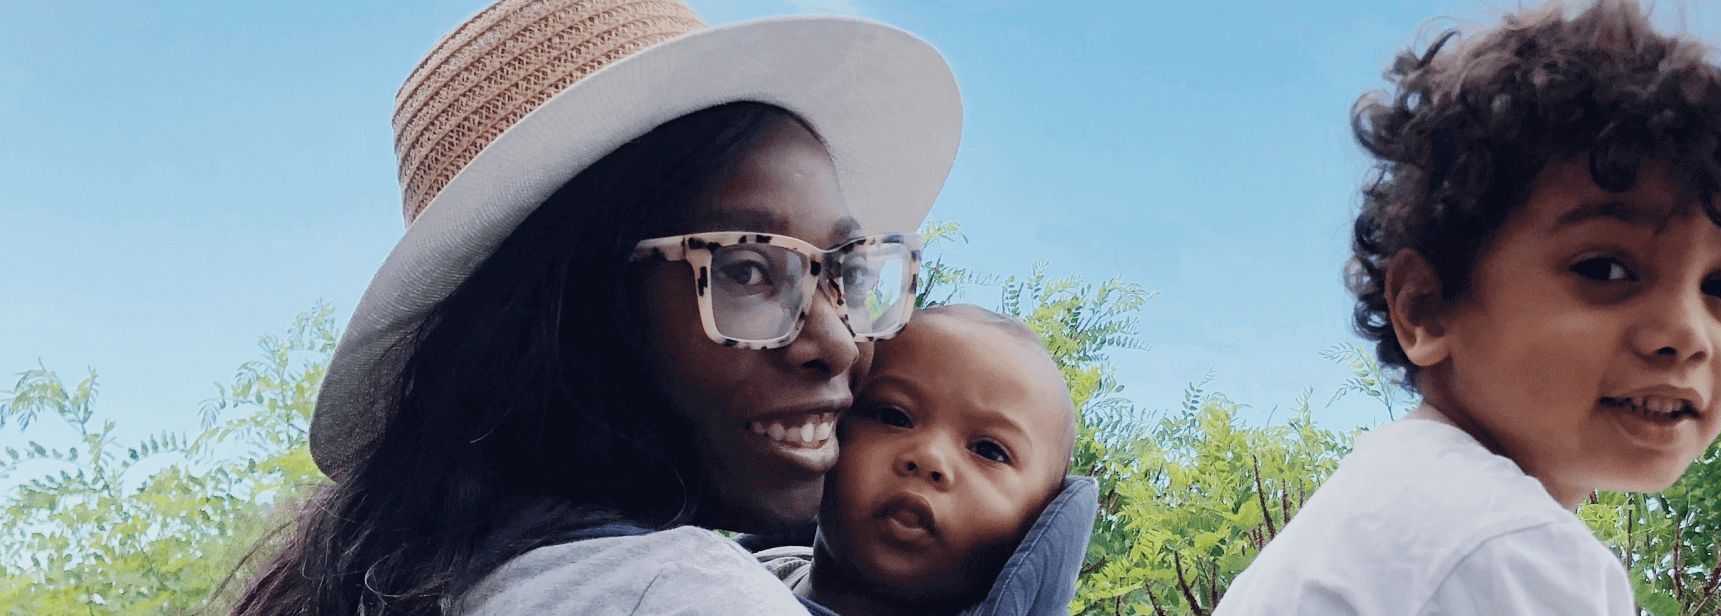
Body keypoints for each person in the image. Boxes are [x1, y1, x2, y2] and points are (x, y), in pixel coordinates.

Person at [227, 0, 961, 614]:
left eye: (843, 272)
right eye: (745, 271)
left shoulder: (431, 582)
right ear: (566, 314)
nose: (839, 343)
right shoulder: (681, 595)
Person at [1213, 0, 1721, 613]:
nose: (1685, 334)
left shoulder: (1382, 517)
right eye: (1604, 269)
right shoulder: (1505, 550)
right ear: (1426, 308)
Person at [752, 304, 1097, 616]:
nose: (929, 457)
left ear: (1038, 521)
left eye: (989, 450)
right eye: (893, 416)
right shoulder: (743, 568)